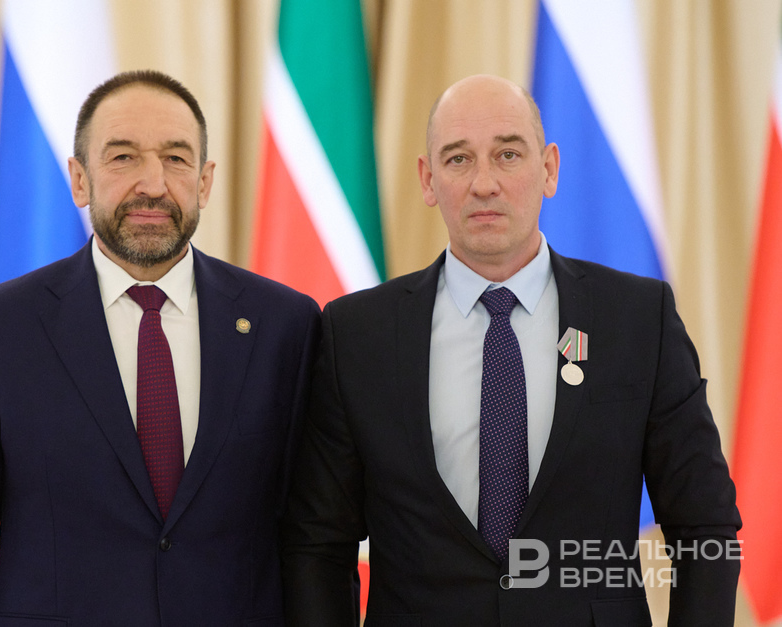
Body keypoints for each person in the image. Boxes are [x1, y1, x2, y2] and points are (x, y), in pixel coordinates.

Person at [281, 75, 741, 626]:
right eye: (458, 159)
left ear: (548, 169)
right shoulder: (357, 334)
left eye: (507, 154)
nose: (484, 183)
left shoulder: (638, 319)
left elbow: (705, 524)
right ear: (428, 179)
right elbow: (318, 542)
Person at [0, 70, 320, 626]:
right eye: (123, 157)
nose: (153, 184)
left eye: (176, 158)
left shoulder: (285, 326)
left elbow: (315, 539)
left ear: (205, 183)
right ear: (79, 180)